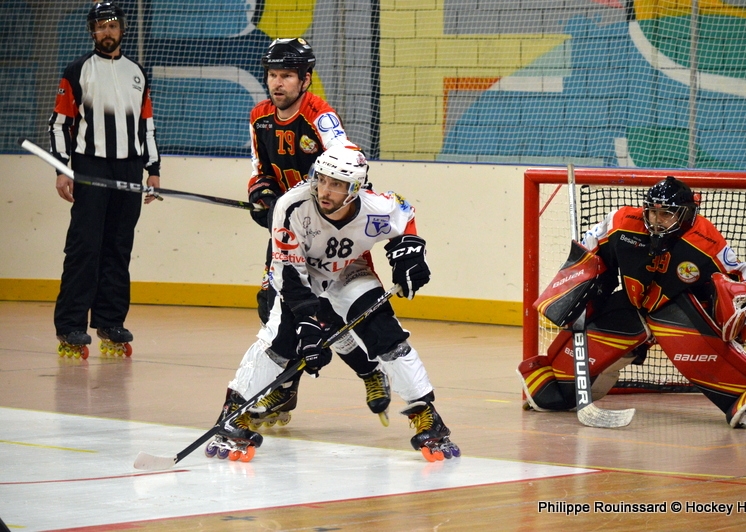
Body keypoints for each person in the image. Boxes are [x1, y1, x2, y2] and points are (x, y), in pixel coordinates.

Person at [205, 146, 459, 462]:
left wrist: (409, 253)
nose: (325, 190)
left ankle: (426, 415)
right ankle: (234, 413)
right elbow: (288, 273)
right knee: (280, 341)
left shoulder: (375, 208)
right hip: (301, 272)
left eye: (337, 184)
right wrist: (309, 325)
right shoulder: (291, 206)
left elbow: (404, 212)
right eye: (321, 180)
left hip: (349, 270)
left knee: (386, 335)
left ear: (354, 189)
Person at [518, 176, 746, 430]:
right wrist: (580, 284)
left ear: (685, 213)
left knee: (699, 352)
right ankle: (555, 388)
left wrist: (733, 310)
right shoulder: (623, 222)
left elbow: (744, 280)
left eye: (666, 213)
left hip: (675, 309)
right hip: (632, 303)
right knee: (558, 382)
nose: (657, 219)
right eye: (652, 211)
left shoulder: (705, 241)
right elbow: (588, 251)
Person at [231, 37, 390, 425]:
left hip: (329, 230)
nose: (277, 83)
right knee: (274, 308)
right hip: (289, 233)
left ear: (305, 80)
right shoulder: (260, 118)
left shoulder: (321, 118)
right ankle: (284, 390)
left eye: (287, 75)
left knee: (329, 316)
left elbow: (348, 165)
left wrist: (308, 203)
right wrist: (262, 196)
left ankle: (370, 371)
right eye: (272, 75)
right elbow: (260, 171)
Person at [48, 1, 160, 359]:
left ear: (122, 29)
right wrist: (63, 169)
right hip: (90, 168)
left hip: (128, 170)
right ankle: (71, 325)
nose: (106, 32)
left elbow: (147, 126)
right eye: (100, 26)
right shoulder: (77, 70)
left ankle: (111, 321)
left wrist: (153, 170)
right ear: (92, 31)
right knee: (85, 247)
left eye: (112, 25)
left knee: (118, 247)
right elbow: (58, 124)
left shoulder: (137, 73)